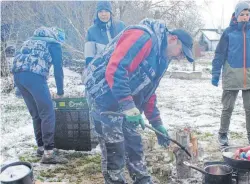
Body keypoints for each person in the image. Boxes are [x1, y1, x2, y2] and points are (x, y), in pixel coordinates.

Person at [83, 18, 194, 183]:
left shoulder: (163, 58)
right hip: (102, 95)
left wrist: (156, 122)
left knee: (134, 142)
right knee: (115, 147)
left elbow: (148, 91)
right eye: (181, 52)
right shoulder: (143, 37)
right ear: (173, 38)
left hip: (125, 99)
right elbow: (115, 69)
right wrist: (128, 105)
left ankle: (142, 179)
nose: (181, 57)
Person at [211, 2, 250, 146]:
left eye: (247, 14)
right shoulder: (228, 32)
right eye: (242, 14)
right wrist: (215, 73)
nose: (245, 17)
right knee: (228, 107)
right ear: (236, 15)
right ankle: (222, 134)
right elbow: (219, 53)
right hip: (232, 75)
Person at [12, 26, 67, 164]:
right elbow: (58, 69)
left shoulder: (29, 41)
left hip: (18, 77)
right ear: (57, 37)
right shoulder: (53, 44)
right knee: (47, 113)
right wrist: (60, 92)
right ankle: (49, 154)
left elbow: (19, 61)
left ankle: (41, 147)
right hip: (35, 77)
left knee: (36, 113)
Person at [84, 1, 125, 66]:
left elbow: (128, 49)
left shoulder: (121, 26)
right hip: (101, 71)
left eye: (106, 11)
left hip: (121, 68)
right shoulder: (91, 31)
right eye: (100, 11)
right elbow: (89, 58)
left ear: (111, 12)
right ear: (97, 13)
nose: (103, 14)